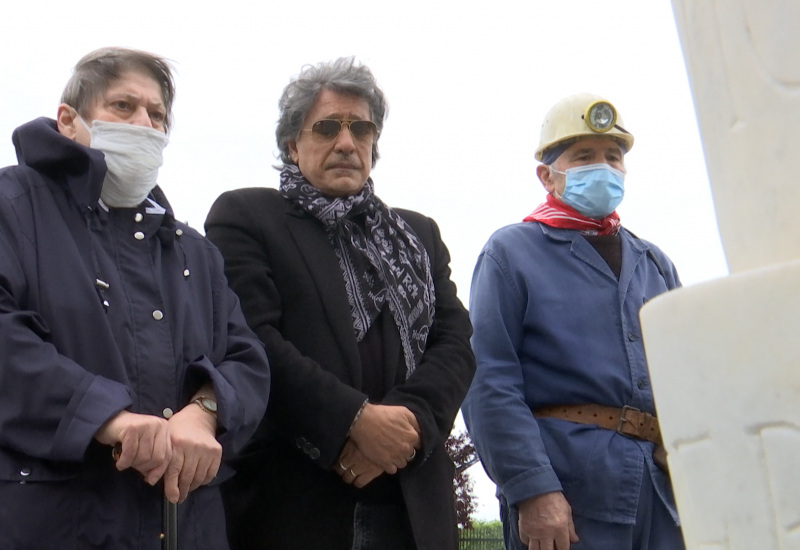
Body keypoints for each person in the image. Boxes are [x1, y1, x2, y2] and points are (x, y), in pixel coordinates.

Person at [0, 47, 271, 549]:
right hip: (52, 523)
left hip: (187, 529)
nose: (144, 124)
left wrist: (206, 408)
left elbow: (246, 359)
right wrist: (104, 415)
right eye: (124, 107)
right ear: (68, 120)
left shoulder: (195, 252)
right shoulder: (13, 209)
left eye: (157, 115)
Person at [204, 57, 476, 550]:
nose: (346, 143)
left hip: (412, 503)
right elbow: (253, 339)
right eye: (326, 127)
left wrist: (405, 427)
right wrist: (355, 421)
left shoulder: (418, 234)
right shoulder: (247, 216)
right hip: (296, 502)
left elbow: (456, 344)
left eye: (361, 128)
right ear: (292, 144)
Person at [462, 93, 685, 550]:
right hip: (570, 497)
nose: (603, 167)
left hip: (661, 497)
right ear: (547, 175)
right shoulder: (510, 254)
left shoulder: (655, 265)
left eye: (613, 156)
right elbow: (489, 380)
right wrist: (532, 488)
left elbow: (689, 379)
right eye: (584, 156)